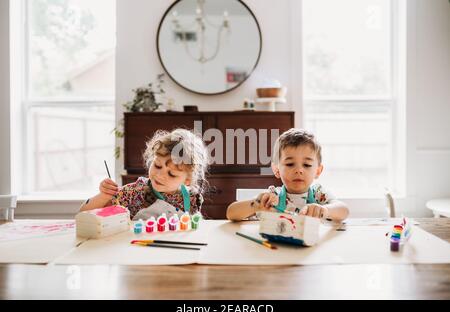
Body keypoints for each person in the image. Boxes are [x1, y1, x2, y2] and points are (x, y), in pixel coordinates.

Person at [79, 129, 209, 220]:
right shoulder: (134, 192)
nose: (160, 175)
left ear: (187, 180)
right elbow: (84, 214)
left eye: (171, 174)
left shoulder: (192, 198)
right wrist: (103, 196)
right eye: (157, 165)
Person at [226, 128, 349, 222]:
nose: (299, 170)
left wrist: (325, 210)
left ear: (318, 171)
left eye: (306, 165)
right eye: (290, 164)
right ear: (276, 170)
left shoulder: (319, 195)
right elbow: (231, 213)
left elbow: (344, 211)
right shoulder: (273, 197)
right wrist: (256, 205)